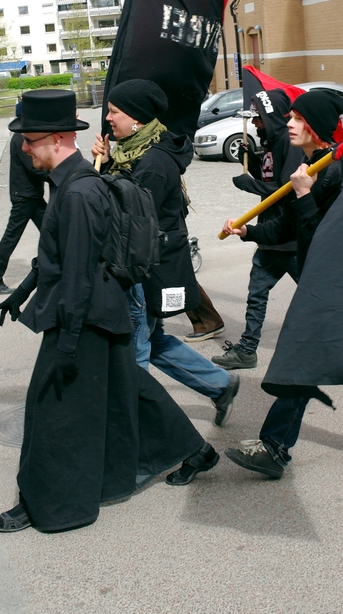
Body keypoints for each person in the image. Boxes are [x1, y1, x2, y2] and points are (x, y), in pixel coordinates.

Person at [0, 89, 216, 534]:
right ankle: (196, 450)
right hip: (99, 310)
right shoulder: (72, 183)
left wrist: (67, 344)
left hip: (84, 316)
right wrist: (22, 291)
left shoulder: (77, 193)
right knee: (130, 387)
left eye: (29, 140)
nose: (23, 148)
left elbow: (77, 275)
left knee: (51, 411)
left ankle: (46, 504)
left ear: (55, 139)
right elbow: (60, 256)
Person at [223, 89, 343, 477]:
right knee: (303, 366)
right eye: (289, 117)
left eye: (296, 119)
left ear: (315, 126)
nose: (289, 124)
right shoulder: (312, 165)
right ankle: (275, 448)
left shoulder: (339, 170)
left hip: (340, 285)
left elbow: (327, 236)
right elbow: (289, 227)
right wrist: (250, 233)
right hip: (320, 282)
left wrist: (305, 194)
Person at [91, 79, 240, 427]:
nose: (108, 118)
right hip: (142, 265)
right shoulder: (135, 152)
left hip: (143, 270)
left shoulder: (154, 162)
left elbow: (127, 216)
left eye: (115, 112)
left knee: (134, 352)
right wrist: (107, 161)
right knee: (151, 339)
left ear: (138, 119)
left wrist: (98, 174)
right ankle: (219, 384)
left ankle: (140, 435)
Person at [212, 87, 304, 370]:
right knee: (256, 294)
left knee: (320, 296)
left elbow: (286, 189)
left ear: (272, 116)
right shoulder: (270, 143)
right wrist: (251, 158)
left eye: (259, 117)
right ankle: (247, 349)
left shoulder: (290, 146)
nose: (254, 123)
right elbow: (268, 178)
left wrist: (248, 183)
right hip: (268, 237)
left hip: (291, 238)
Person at [0, 131, 49, 295]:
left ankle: (62, 268)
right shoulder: (21, 137)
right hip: (25, 197)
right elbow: (34, 167)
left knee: (53, 230)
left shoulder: (23, 134)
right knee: (11, 237)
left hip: (31, 195)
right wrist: (57, 175)